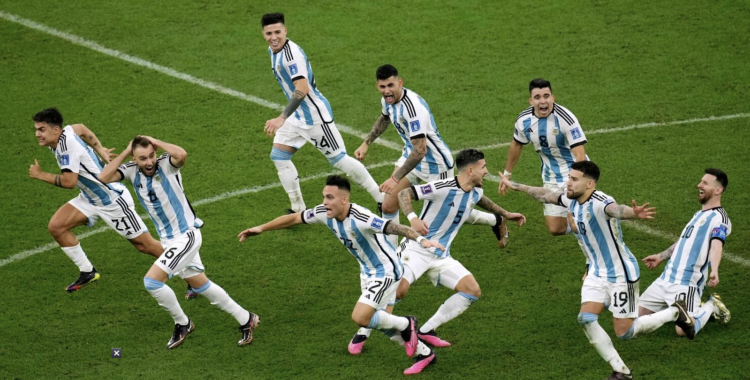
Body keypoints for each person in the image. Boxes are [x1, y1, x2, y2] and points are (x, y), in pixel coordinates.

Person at [501, 161, 692, 380]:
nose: (568, 183)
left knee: (625, 332)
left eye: (574, 179)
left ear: (589, 183)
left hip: (621, 274)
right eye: (569, 178)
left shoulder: (601, 202)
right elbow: (545, 195)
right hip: (596, 272)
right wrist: (516, 186)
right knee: (585, 319)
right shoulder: (571, 199)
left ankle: (675, 312)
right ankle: (621, 371)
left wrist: (633, 213)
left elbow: (617, 210)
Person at [238, 175, 444, 375]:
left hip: (386, 271)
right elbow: (294, 218)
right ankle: (424, 354)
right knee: (384, 325)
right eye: (324, 196)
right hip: (367, 272)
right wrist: (261, 228)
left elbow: (393, 227)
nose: (324, 202)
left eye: (330, 197)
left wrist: (422, 241)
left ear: (344, 199)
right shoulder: (323, 213)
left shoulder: (361, 217)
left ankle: (407, 324)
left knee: (361, 317)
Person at [348, 149, 526, 354]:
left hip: (441, 254)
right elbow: (405, 193)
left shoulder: (475, 190)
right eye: (483, 167)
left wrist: (505, 214)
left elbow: (481, 200)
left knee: (472, 290)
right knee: (397, 291)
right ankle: (363, 331)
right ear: (470, 170)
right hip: (416, 248)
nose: (486, 172)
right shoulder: (443, 186)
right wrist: (413, 218)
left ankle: (425, 330)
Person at [99, 136, 259, 348]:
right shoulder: (130, 170)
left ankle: (183, 323)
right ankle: (246, 318)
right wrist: (126, 151)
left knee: (152, 282)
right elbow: (103, 177)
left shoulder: (167, 164)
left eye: (151, 156)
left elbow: (182, 155)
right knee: (201, 284)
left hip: (187, 236)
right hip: (169, 241)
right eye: (142, 158)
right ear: (134, 159)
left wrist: (156, 141)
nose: (148, 162)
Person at [354, 64, 508, 248]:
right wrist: (367, 142)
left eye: (390, 85)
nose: (387, 91)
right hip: (411, 157)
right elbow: (385, 117)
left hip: (436, 165)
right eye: (382, 87)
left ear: (400, 82)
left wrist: (395, 178)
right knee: (388, 206)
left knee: (451, 212)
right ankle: (391, 255)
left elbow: (421, 150)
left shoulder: (413, 109)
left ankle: (496, 220)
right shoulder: (388, 100)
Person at [28, 108, 163, 292]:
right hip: (89, 198)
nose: (37, 134)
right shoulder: (67, 131)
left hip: (112, 200)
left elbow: (69, 182)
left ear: (55, 130)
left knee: (145, 246)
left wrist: (40, 175)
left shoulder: (67, 147)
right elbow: (82, 129)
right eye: (36, 129)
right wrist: (101, 149)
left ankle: (190, 274)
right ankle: (87, 272)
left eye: (41, 129)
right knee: (57, 226)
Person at [260, 12, 383, 213]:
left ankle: (381, 197)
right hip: (297, 116)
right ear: (263, 33)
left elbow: (302, 88)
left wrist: (281, 118)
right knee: (279, 156)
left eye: (277, 32)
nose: (273, 37)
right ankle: (298, 208)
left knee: (340, 160)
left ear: (285, 31)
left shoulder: (291, 56)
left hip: (314, 117)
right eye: (268, 33)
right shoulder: (273, 50)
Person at [639, 169, 732, 338]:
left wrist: (715, 270)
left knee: (683, 330)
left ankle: (712, 305)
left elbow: (717, 244)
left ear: (718, 190)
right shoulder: (698, 214)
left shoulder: (720, 219)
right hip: (665, 279)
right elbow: (683, 242)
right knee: (636, 320)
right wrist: (661, 256)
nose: (699, 185)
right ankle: (675, 310)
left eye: (705, 183)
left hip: (686, 282)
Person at [499, 79, 588, 235]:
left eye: (546, 96)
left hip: (574, 172)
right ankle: (589, 223)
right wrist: (507, 174)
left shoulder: (566, 118)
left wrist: (576, 180)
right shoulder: (524, 120)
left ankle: (602, 220)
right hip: (550, 176)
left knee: (577, 223)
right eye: (538, 97)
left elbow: (579, 154)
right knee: (556, 229)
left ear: (552, 98)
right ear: (531, 100)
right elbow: (517, 144)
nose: (543, 101)